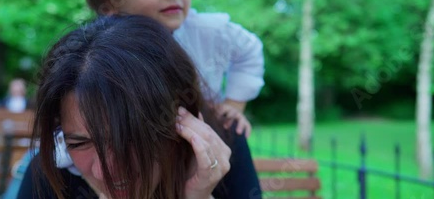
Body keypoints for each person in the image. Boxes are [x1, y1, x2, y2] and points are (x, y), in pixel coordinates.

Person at [16, 15, 261, 198]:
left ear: (180, 119)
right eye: (79, 143)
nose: (105, 171)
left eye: (129, 137)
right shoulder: (50, 176)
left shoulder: (225, 148)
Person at [81, 0, 265, 137]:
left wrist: (233, 105)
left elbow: (249, 49)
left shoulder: (209, 31)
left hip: (204, 140)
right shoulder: (99, 54)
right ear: (109, 0)